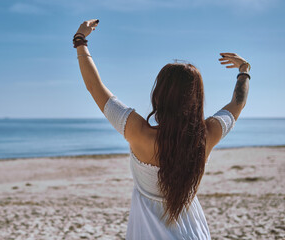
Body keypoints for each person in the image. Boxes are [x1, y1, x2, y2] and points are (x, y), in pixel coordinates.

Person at [73, 19, 250, 240]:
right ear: (196, 98)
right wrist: (244, 70)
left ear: (159, 95)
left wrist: (80, 41)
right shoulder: (207, 135)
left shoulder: (137, 131)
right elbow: (238, 102)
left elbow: (94, 87)